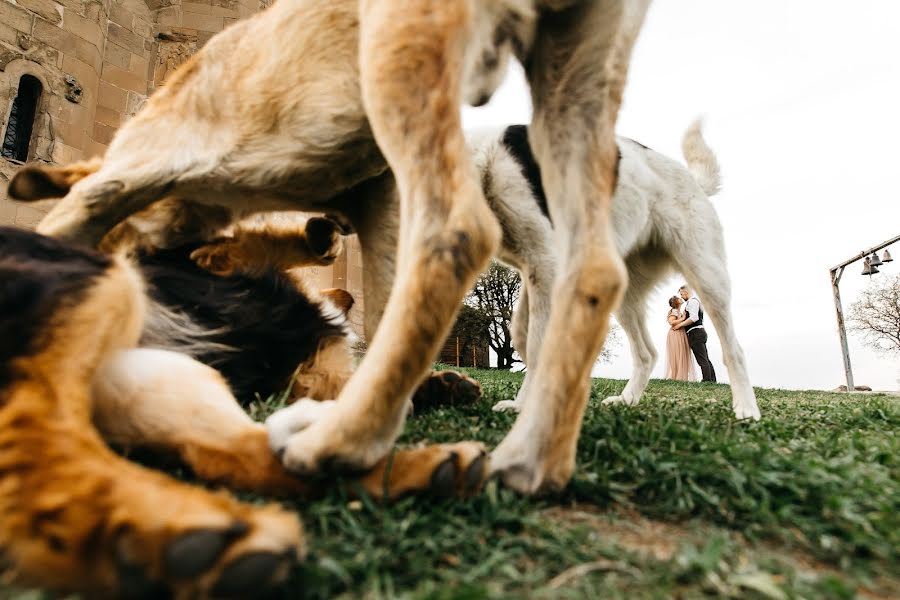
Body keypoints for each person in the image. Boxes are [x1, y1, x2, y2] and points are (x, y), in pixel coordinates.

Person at [673, 285, 716, 382]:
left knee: (702, 359)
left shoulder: (692, 301)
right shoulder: (693, 302)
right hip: (698, 332)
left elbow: (694, 318)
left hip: (696, 333)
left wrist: (679, 326)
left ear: (685, 291)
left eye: (681, 293)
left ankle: (707, 380)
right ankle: (712, 380)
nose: (681, 296)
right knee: (705, 358)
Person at [665, 295, 697, 381]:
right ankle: (677, 377)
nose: (681, 299)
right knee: (678, 354)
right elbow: (671, 322)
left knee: (681, 354)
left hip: (680, 333)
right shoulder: (675, 311)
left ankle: (681, 377)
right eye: (679, 299)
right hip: (675, 333)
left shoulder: (679, 311)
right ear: (676, 302)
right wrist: (682, 318)